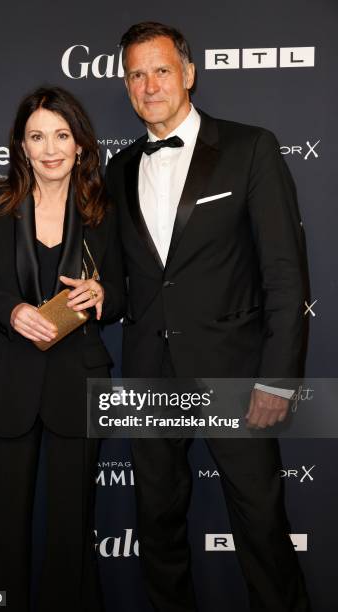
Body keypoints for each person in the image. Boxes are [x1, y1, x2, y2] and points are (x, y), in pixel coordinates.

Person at [105, 21, 312, 612]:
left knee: (261, 527)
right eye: (136, 74)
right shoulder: (119, 171)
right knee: (159, 528)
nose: (149, 85)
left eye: (161, 70)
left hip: (237, 373)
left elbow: (285, 274)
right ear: (126, 86)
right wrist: (94, 298)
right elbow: (130, 285)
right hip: (149, 372)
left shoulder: (251, 148)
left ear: (189, 74)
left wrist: (277, 377)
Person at [0, 86, 125, 612]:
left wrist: (104, 294)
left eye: (61, 135)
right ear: (21, 145)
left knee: (73, 534)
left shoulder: (105, 209)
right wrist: (10, 311)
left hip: (78, 383)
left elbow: (126, 290)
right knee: (5, 537)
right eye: (36, 136)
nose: (50, 148)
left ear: (80, 144)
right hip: (6, 383)